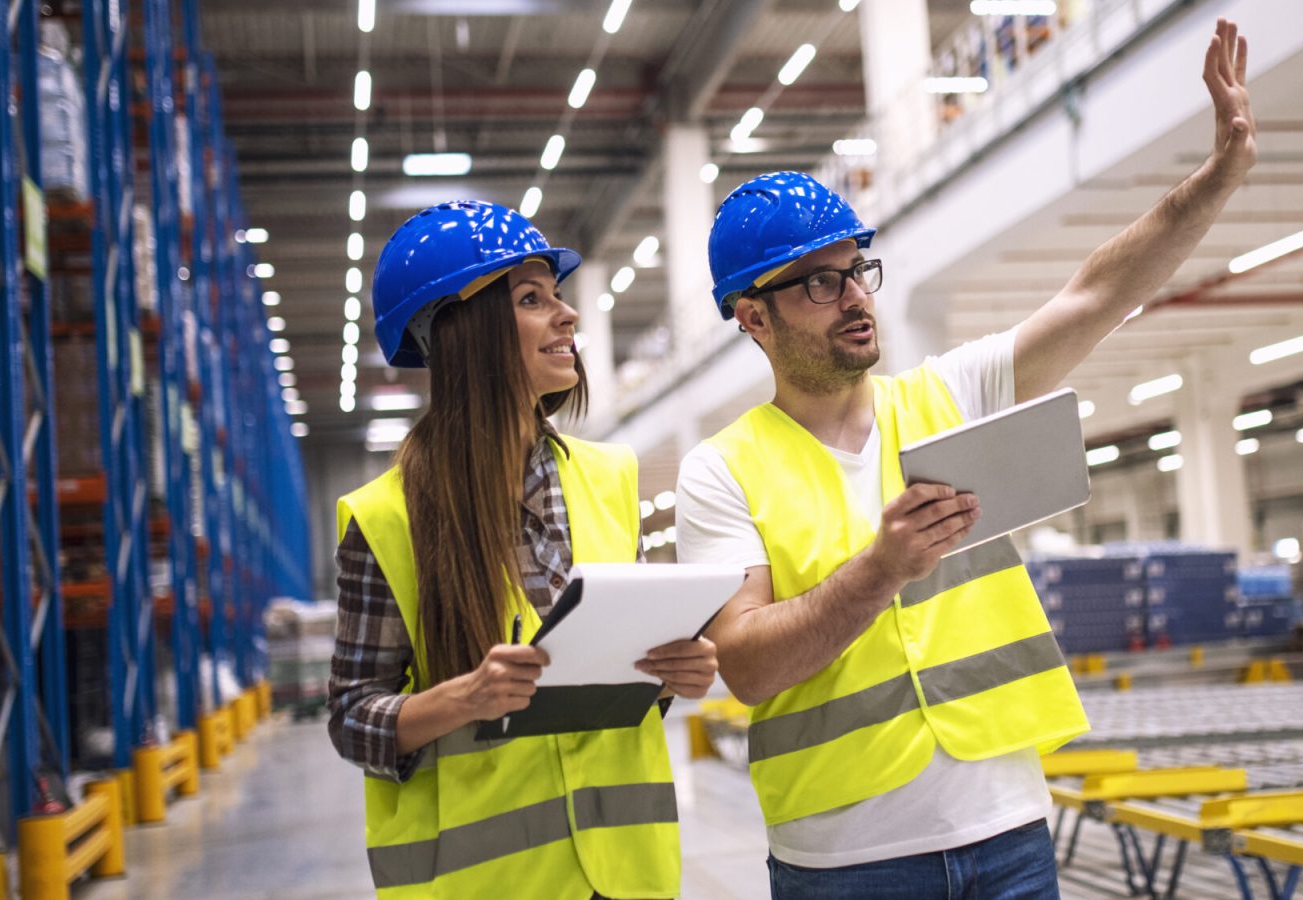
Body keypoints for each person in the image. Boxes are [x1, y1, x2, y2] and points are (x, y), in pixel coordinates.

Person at [675, 19, 1256, 897]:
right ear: (752, 318)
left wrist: (1216, 179)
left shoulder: (948, 398)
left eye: (857, 270)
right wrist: (881, 568)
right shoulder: (720, 470)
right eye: (819, 283)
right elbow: (746, 666)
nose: (854, 298)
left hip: (1009, 831)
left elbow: (1098, 292)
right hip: (846, 861)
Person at [328, 200, 717, 899]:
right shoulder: (385, 518)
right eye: (532, 299)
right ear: (461, 335)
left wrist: (667, 675)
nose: (567, 316)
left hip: (627, 874)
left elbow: (609, 686)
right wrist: (460, 699)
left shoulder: (609, 478)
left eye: (558, 296)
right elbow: (353, 719)